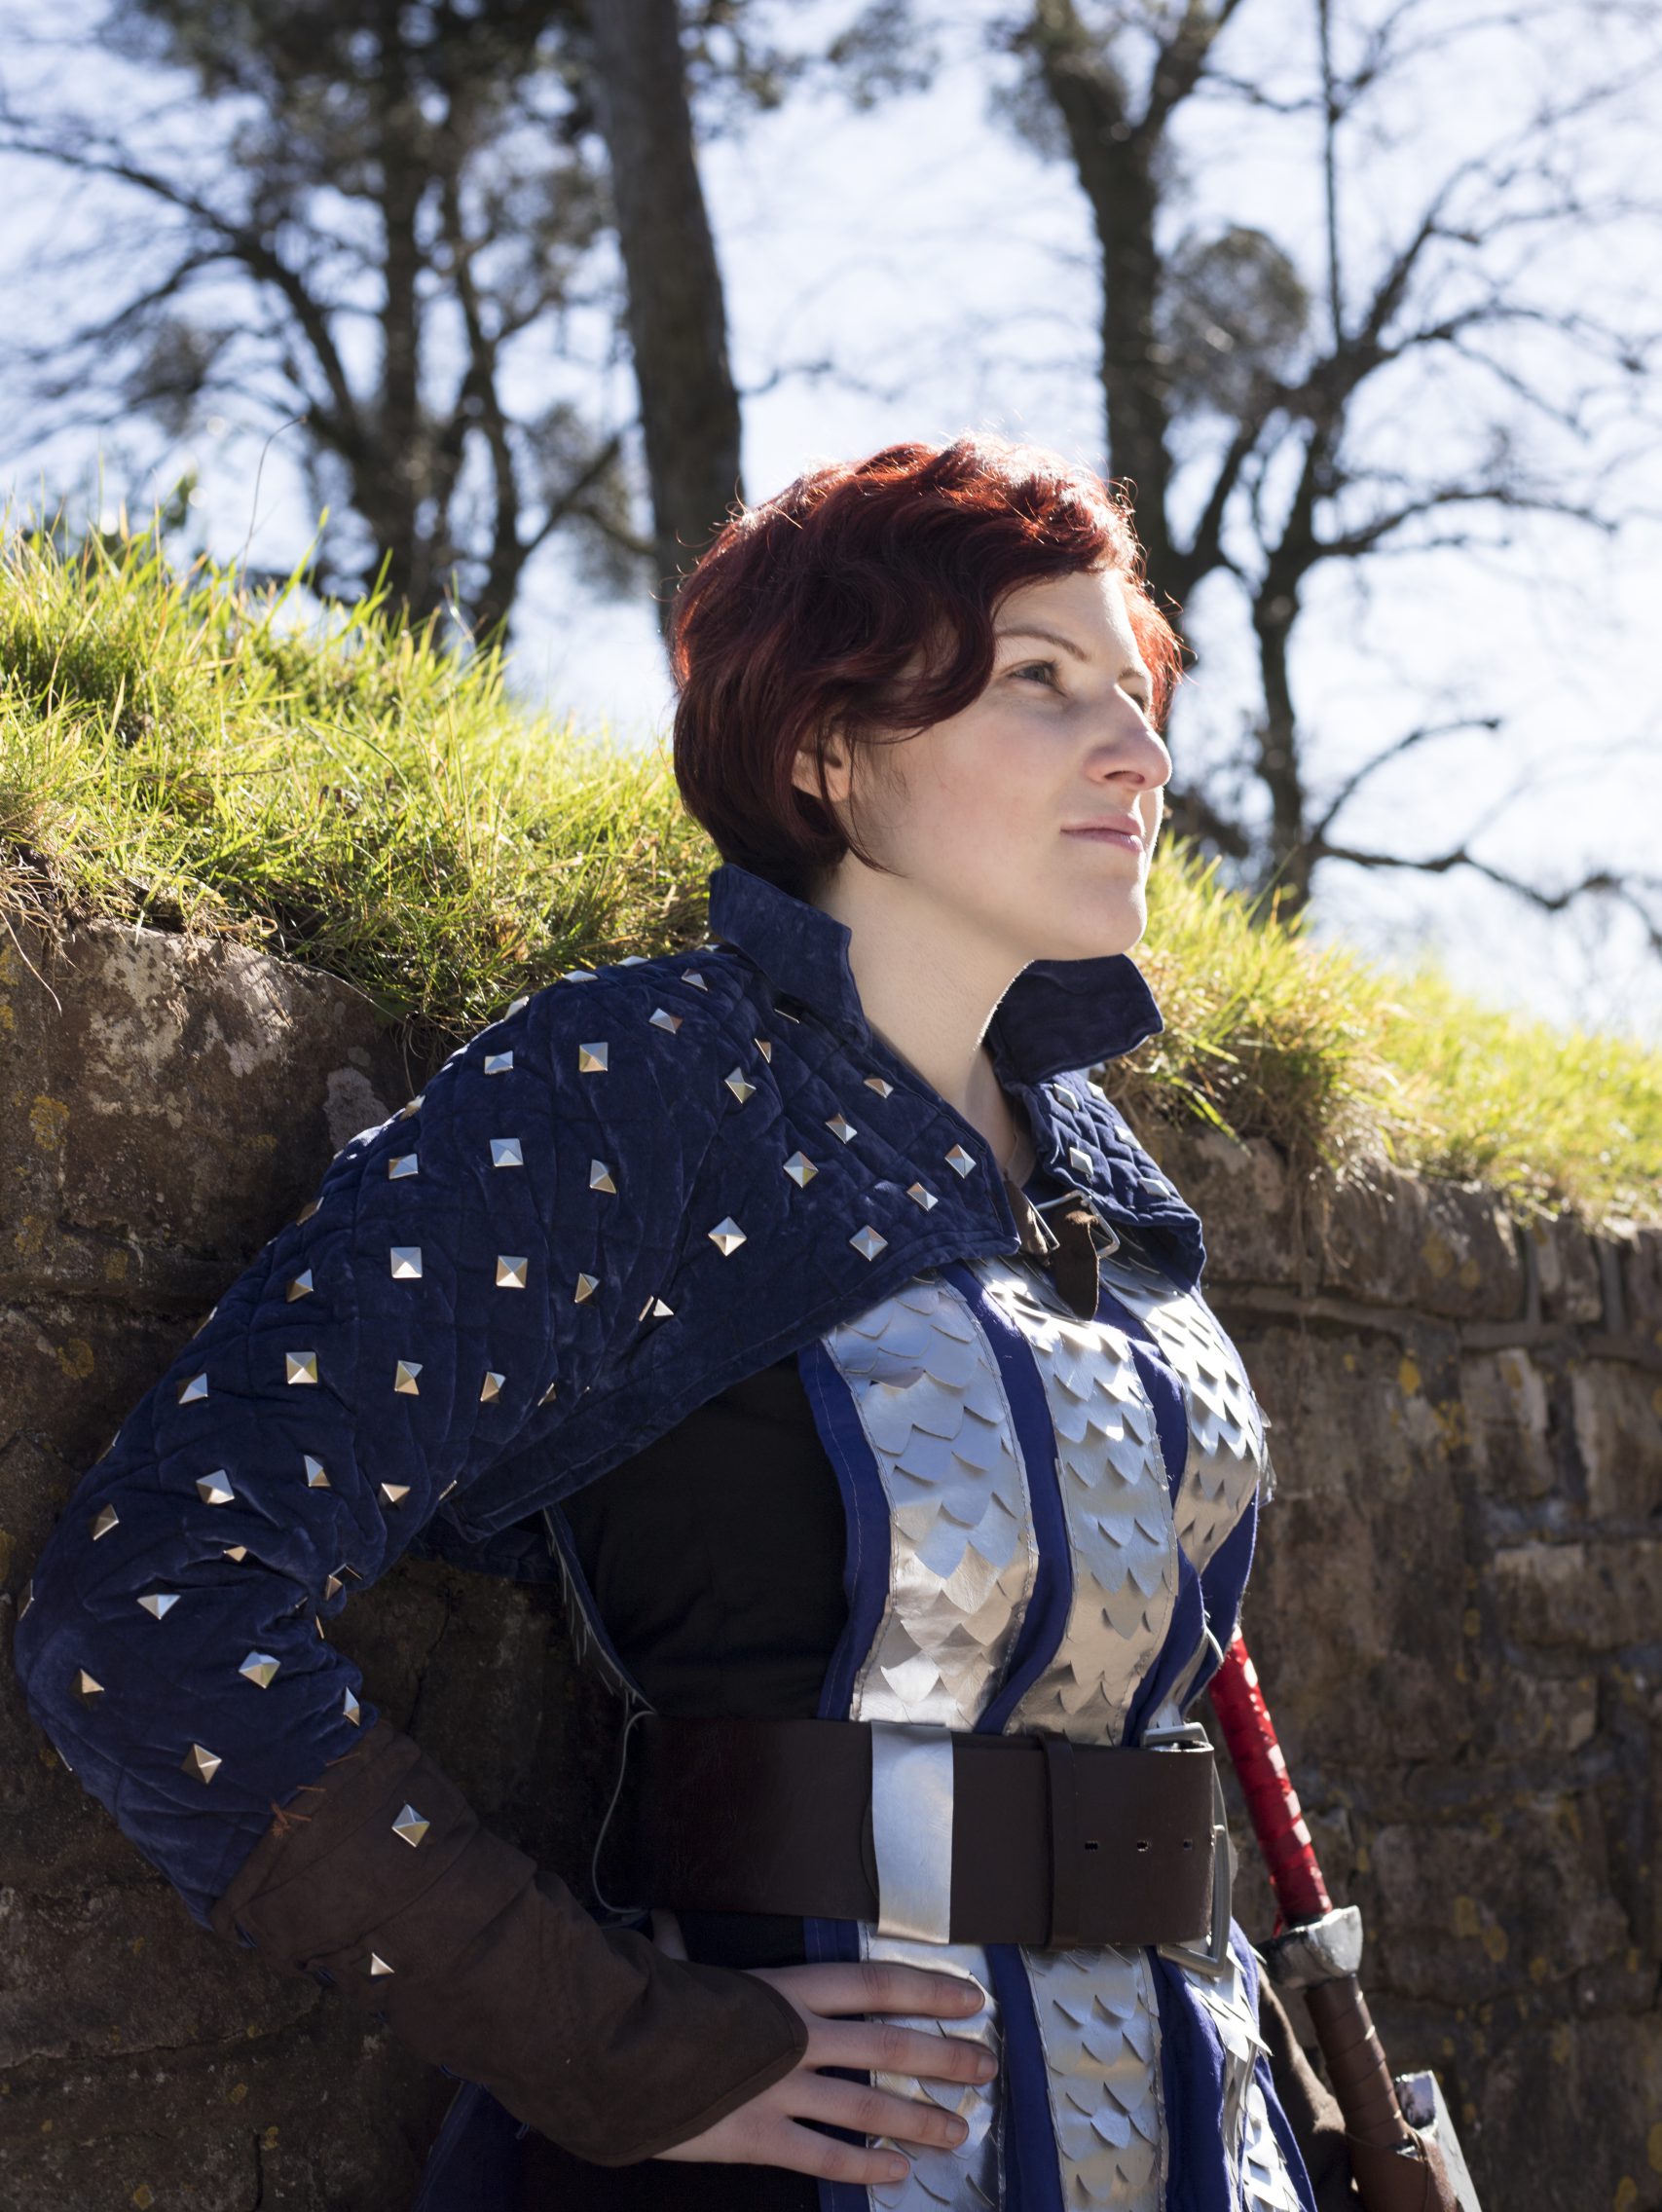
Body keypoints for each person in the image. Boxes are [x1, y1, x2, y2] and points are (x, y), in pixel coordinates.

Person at [15, 436, 1359, 2212]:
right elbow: (152, 1605)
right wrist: (614, 2045)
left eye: (1133, 691)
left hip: (1208, 2134)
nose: (1139, 751)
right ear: (822, 749)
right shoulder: (643, 1082)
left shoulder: (1105, 1169)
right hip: (828, 2160)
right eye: (1039, 680)